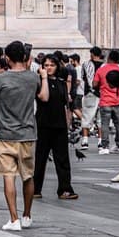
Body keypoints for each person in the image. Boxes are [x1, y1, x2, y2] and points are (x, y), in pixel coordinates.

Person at [0, 40, 42, 230]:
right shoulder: (33, 78)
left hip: (6, 134)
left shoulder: (0, 79)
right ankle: (27, 215)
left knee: (9, 176)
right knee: (28, 176)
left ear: (7, 58)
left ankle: (14, 219)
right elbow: (41, 97)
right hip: (28, 133)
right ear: (25, 57)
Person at [34, 52, 77, 201]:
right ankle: (35, 189)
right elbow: (44, 97)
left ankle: (65, 189)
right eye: (46, 65)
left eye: (52, 65)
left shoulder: (61, 83)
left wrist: (68, 124)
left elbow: (66, 105)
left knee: (62, 159)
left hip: (59, 125)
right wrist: (44, 78)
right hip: (43, 124)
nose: (49, 68)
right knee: (40, 158)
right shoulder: (39, 82)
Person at [97, 52, 119, 154]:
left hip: (105, 101)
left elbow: (94, 83)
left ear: (109, 58)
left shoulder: (101, 70)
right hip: (118, 101)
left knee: (105, 124)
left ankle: (105, 147)